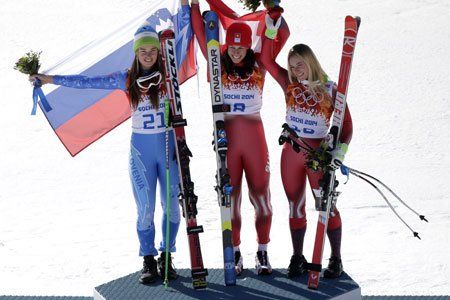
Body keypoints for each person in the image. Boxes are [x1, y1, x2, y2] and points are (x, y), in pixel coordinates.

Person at [29, 2, 193, 284]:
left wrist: (184, 4)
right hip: (141, 151)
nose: (148, 55)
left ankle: (167, 256)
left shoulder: (170, 73)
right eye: (143, 50)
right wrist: (48, 78)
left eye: (152, 50)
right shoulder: (126, 79)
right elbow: (85, 81)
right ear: (136, 53)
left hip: (168, 149)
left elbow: (186, 32)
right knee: (145, 210)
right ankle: (148, 259)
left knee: (173, 207)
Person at [190, 0, 288, 276]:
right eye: (231, 47)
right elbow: (200, 34)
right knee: (229, 198)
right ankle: (234, 252)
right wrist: (194, 5)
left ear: (248, 46)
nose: (235, 51)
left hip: (254, 137)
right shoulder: (215, 62)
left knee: (261, 197)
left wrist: (273, 14)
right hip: (227, 139)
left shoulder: (259, 64)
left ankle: (263, 251)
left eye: (240, 46)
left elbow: (272, 38)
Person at [261, 15, 353, 278]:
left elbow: (346, 127)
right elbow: (266, 61)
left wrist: (338, 153)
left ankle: (335, 259)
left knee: (326, 205)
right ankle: (298, 257)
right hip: (291, 152)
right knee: (294, 205)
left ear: (310, 62)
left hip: (317, 155)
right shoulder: (289, 85)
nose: (296, 70)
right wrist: (270, 29)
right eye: (292, 66)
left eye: (300, 65)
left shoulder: (329, 89)